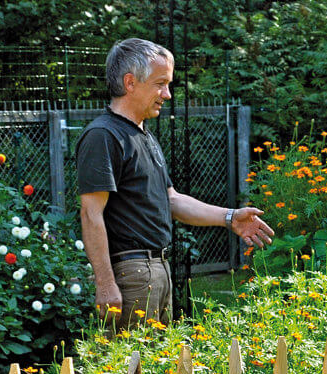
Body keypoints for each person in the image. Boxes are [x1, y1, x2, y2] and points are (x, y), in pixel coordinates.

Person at [77, 38, 274, 331]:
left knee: (156, 368)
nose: (167, 95)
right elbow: (90, 214)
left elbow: (171, 200)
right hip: (131, 273)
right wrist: (105, 284)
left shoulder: (143, 135)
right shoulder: (103, 136)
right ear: (130, 83)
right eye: (160, 84)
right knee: (129, 371)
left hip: (157, 270)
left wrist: (230, 217)